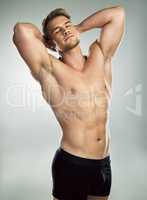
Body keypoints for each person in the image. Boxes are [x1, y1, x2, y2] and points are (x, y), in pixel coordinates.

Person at [13, 5, 125, 200]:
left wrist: (79, 27)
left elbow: (117, 14)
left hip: (103, 164)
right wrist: (47, 41)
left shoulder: (100, 57)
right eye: (58, 30)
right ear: (50, 41)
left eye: (67, 25)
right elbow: (21, 30)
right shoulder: (49, 70)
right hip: (73, 164)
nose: (65, 30)